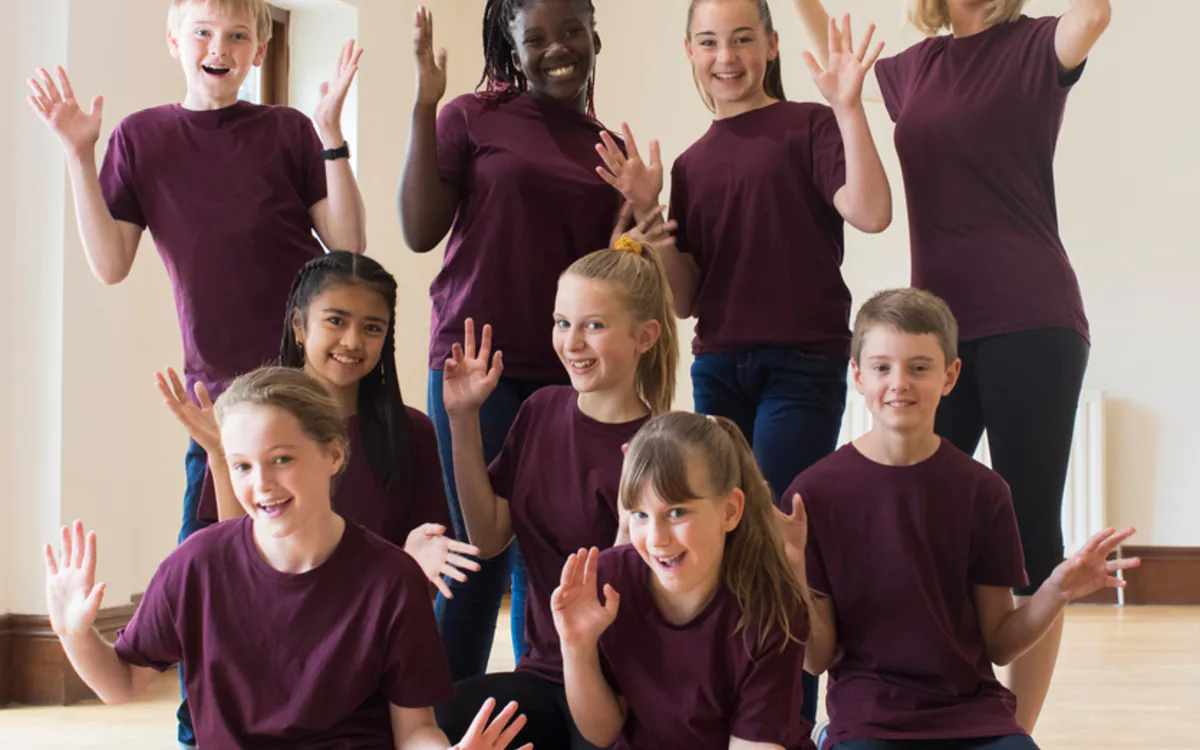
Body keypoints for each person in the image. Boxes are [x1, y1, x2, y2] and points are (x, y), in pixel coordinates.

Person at [27, 2, 368, 742]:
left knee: (313, 568)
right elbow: (110, 264)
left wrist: (334, 135)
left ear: (258, 48)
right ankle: (203, 729)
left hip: (305, 391)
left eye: (238, 34)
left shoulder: (286, 131)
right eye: (205, 32)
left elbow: (349, 246)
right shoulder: (142, 138)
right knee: (207, 578)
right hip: (216, 408)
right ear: (174, 39)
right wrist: (78, 156)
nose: (220, 47)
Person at [792, 0, 1113, 729]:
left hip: (1033, 317)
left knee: (1030, 534)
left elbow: (1094, 15)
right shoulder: (919, 69)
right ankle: (875, 698)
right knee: (898, 506)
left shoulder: (1037, 46)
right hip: (933, 332)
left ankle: (1016, 729)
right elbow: (839, 53)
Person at [595, 0, 891, 721]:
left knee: (774, 535)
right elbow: (689, 299)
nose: (725, 56)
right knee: (716, 539)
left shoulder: (811, 127)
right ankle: (731, 704)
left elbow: (872, 211)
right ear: (690, 52)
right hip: (719, 364)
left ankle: (788, 717)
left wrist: (849, 106)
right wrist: (652, 218)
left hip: (801, 364)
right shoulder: (693, 165)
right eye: (708, 42)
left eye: (741, 39)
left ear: (770, 45)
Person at [43, 367, 533, 750]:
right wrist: (75, 634)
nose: (262, 484)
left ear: (333, 456)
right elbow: (123, 683)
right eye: (242, 465)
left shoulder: (391, 578)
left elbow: (414, 731)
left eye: (282, 459)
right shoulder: (195, 565)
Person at [783, 288, 1139, 749]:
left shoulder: (984, 491)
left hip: (974, 715)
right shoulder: (813, 494)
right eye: (882, 367)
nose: (899, 383)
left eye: (919, 367)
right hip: (868, 720)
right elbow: (817, 659)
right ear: (857, 376)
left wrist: (1056, 591)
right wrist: (792, 575)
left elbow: (1000, 643)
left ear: (950, 376)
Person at [398, 1, 624, 677]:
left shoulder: (606, 147)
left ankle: (542, 708)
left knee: (553, 558)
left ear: (593, 33)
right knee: (477, 559)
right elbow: (417, 229)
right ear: (512, 46)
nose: (558, 49)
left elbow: (608, 270)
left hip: (567, 375)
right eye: (536, 39)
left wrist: (641, 206)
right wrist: (422, 104)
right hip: (474, 369)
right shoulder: (472, 115)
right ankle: (442, 724)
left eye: (571, 32)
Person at [433, 221, 679, 749]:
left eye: (593, 326)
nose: (571, 343)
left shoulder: (665, 449)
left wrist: (625, 532)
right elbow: (490, 535)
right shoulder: (541, 410)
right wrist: (462, 419)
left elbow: (656, 604)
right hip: (544, 678)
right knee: (426, 726)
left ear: (645, 336)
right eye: (562, 322)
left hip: (625, 690)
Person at [156, 251, 478, 598]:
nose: (353, 341)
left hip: (371, 629)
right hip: (272, 625)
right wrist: (220, 456)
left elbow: (428, 575)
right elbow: (237, 566)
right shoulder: (251, 421)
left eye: (372, 327)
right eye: (336, 321)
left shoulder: (412, 432)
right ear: (299, 326)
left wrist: (408, 569)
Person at [553, 412, 817, 749]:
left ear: (730, 510)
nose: (656, 539)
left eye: (676, 512)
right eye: (640, 515)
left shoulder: (771, 609)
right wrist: (577, 648)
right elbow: (602, 732)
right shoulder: (608, 583)